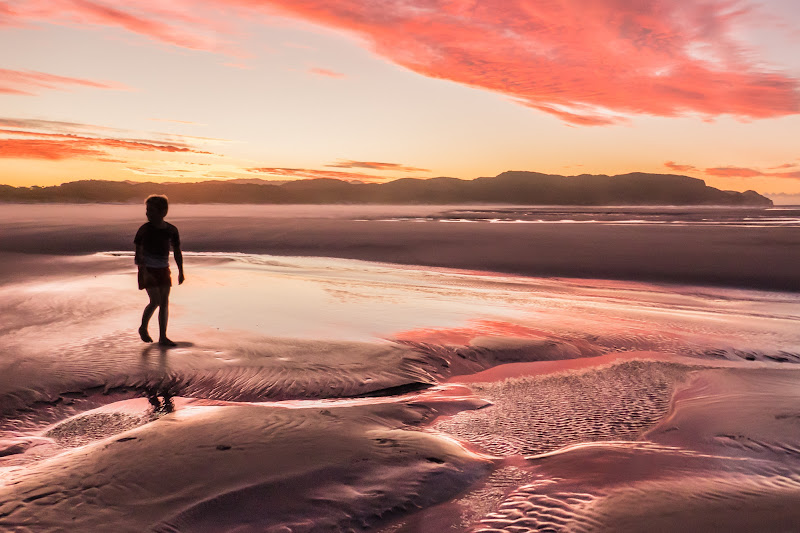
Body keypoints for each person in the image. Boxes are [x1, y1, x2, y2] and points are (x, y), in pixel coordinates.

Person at [135, 194, 185, 346]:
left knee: (164, 302)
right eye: (147, 210)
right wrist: (144, 272)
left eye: (151, 211)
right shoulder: (144, 230)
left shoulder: (171, 230)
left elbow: (177, 251)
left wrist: (181, 271)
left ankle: (163, 337)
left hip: (164, 269)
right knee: (155, 301)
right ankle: (143, 327)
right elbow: (138, 254)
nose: (148, 214)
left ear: (163, 212)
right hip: (147, 269)